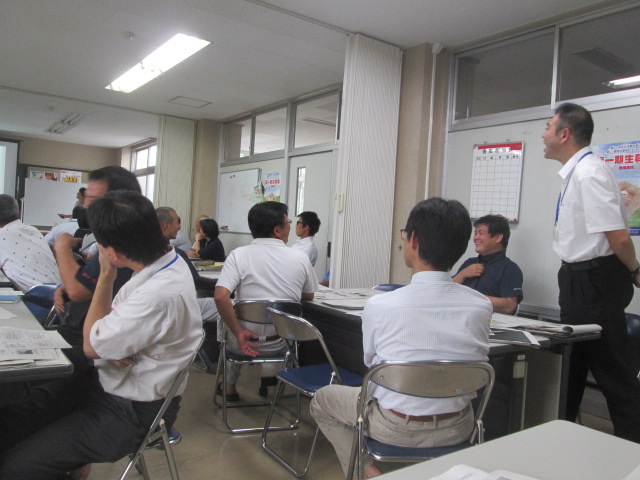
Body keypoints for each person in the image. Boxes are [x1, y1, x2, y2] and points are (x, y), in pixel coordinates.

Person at [0, 190, 202, 479]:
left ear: (113, 253)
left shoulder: (157, 292)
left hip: (129, 410)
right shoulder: (165, 260)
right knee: (10, 423)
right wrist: (109, 346)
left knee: (16, 467)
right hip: (105, 382)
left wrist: (105, 277)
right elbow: (105, 337)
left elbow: (92, 346)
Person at [310, 197, 492, 477]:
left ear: (413, 240)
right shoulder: (481, 305)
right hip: (459, 425)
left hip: (394, 426)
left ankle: (373, 474)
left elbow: (372, 363)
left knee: (321, 401)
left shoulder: (381, 305)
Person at [542, 102, 640, 443]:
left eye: (548, 126)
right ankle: (561, 439)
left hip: (594, 282)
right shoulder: (578, 172)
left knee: (614, 374)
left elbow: (618, 237)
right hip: (579, 280)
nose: (543, 134)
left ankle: (633, 448)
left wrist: (636, 270)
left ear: (564, 134)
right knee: (571, 369)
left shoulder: (589, 173)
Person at [214, 201, 317, 401]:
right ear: (277, 230)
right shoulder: (300, 258)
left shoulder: (238, 256)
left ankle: (229, 388)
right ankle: (274, 383)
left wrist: (238, 332)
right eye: (288, 223)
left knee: (232, 320)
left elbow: (220, 296)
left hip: (242, 342)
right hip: (281, 343)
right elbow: (309, 295)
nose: (290, 227)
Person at [52, 166, 141, 370]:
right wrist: (68, 287)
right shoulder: (113, 237)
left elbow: (77, 292)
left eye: (92, 199)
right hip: (88, 336)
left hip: (93, 348)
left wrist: (62, 246)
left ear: (118, 202)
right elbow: (85, 285)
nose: (85, 206)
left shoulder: (121, 243)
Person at [452, 214, 523, 314]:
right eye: (475, 233)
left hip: (488, 320)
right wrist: (462, 275)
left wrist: (472, 298)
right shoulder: (469, 263)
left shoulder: (510, 269)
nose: (476, 238)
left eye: (481, 233)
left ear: (498, 238)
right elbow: (445, 289)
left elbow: (510, 306)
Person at [0, 194, 61, 292]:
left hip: (38, 298)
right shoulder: (34, 230)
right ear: (19, 213)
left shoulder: (2, 235)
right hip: (60, 294)